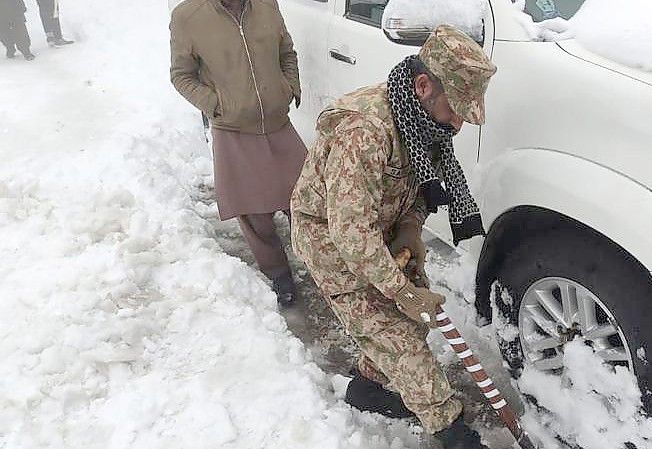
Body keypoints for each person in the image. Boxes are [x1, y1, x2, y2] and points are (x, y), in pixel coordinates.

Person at [290, 25, 496, 448]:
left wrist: (409, 226)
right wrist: (399, 290)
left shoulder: (423, 123)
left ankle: (369, 387)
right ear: (423, 86)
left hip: (378, 230)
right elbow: (350, 233)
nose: (458, 122)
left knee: (410, 321)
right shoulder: (364, 131)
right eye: (455, 108)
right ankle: (451, 430)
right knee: (403, 342)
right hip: (331, 242)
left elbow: (412, 187)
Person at [170, 0, 305, 304]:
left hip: (277, 121)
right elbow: (181, 75)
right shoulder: (187, 16)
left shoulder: (266, 5)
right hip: (233, 129)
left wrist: (290, 86)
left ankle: (321, 261)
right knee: (255, 210)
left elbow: (286, 52)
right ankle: (278, 272)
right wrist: (217, 105)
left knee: (304, 197)